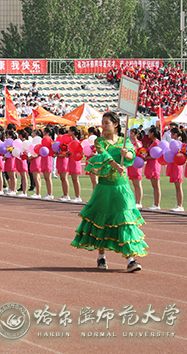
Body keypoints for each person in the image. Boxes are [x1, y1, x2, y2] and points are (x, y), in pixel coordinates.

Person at [71, 111, 146, 273]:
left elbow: (132, 155)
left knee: (125, 220)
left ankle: (131, 259)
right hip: (104, 187)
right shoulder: (100, 141)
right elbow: (104, 155)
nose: (103, 126)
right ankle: (101, 256)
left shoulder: (124, 141)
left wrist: (127, 154)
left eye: (107, 123)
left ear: (116, 124)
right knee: (102, 220)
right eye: (102, 123)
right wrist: (116, 165)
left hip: (122, 187)